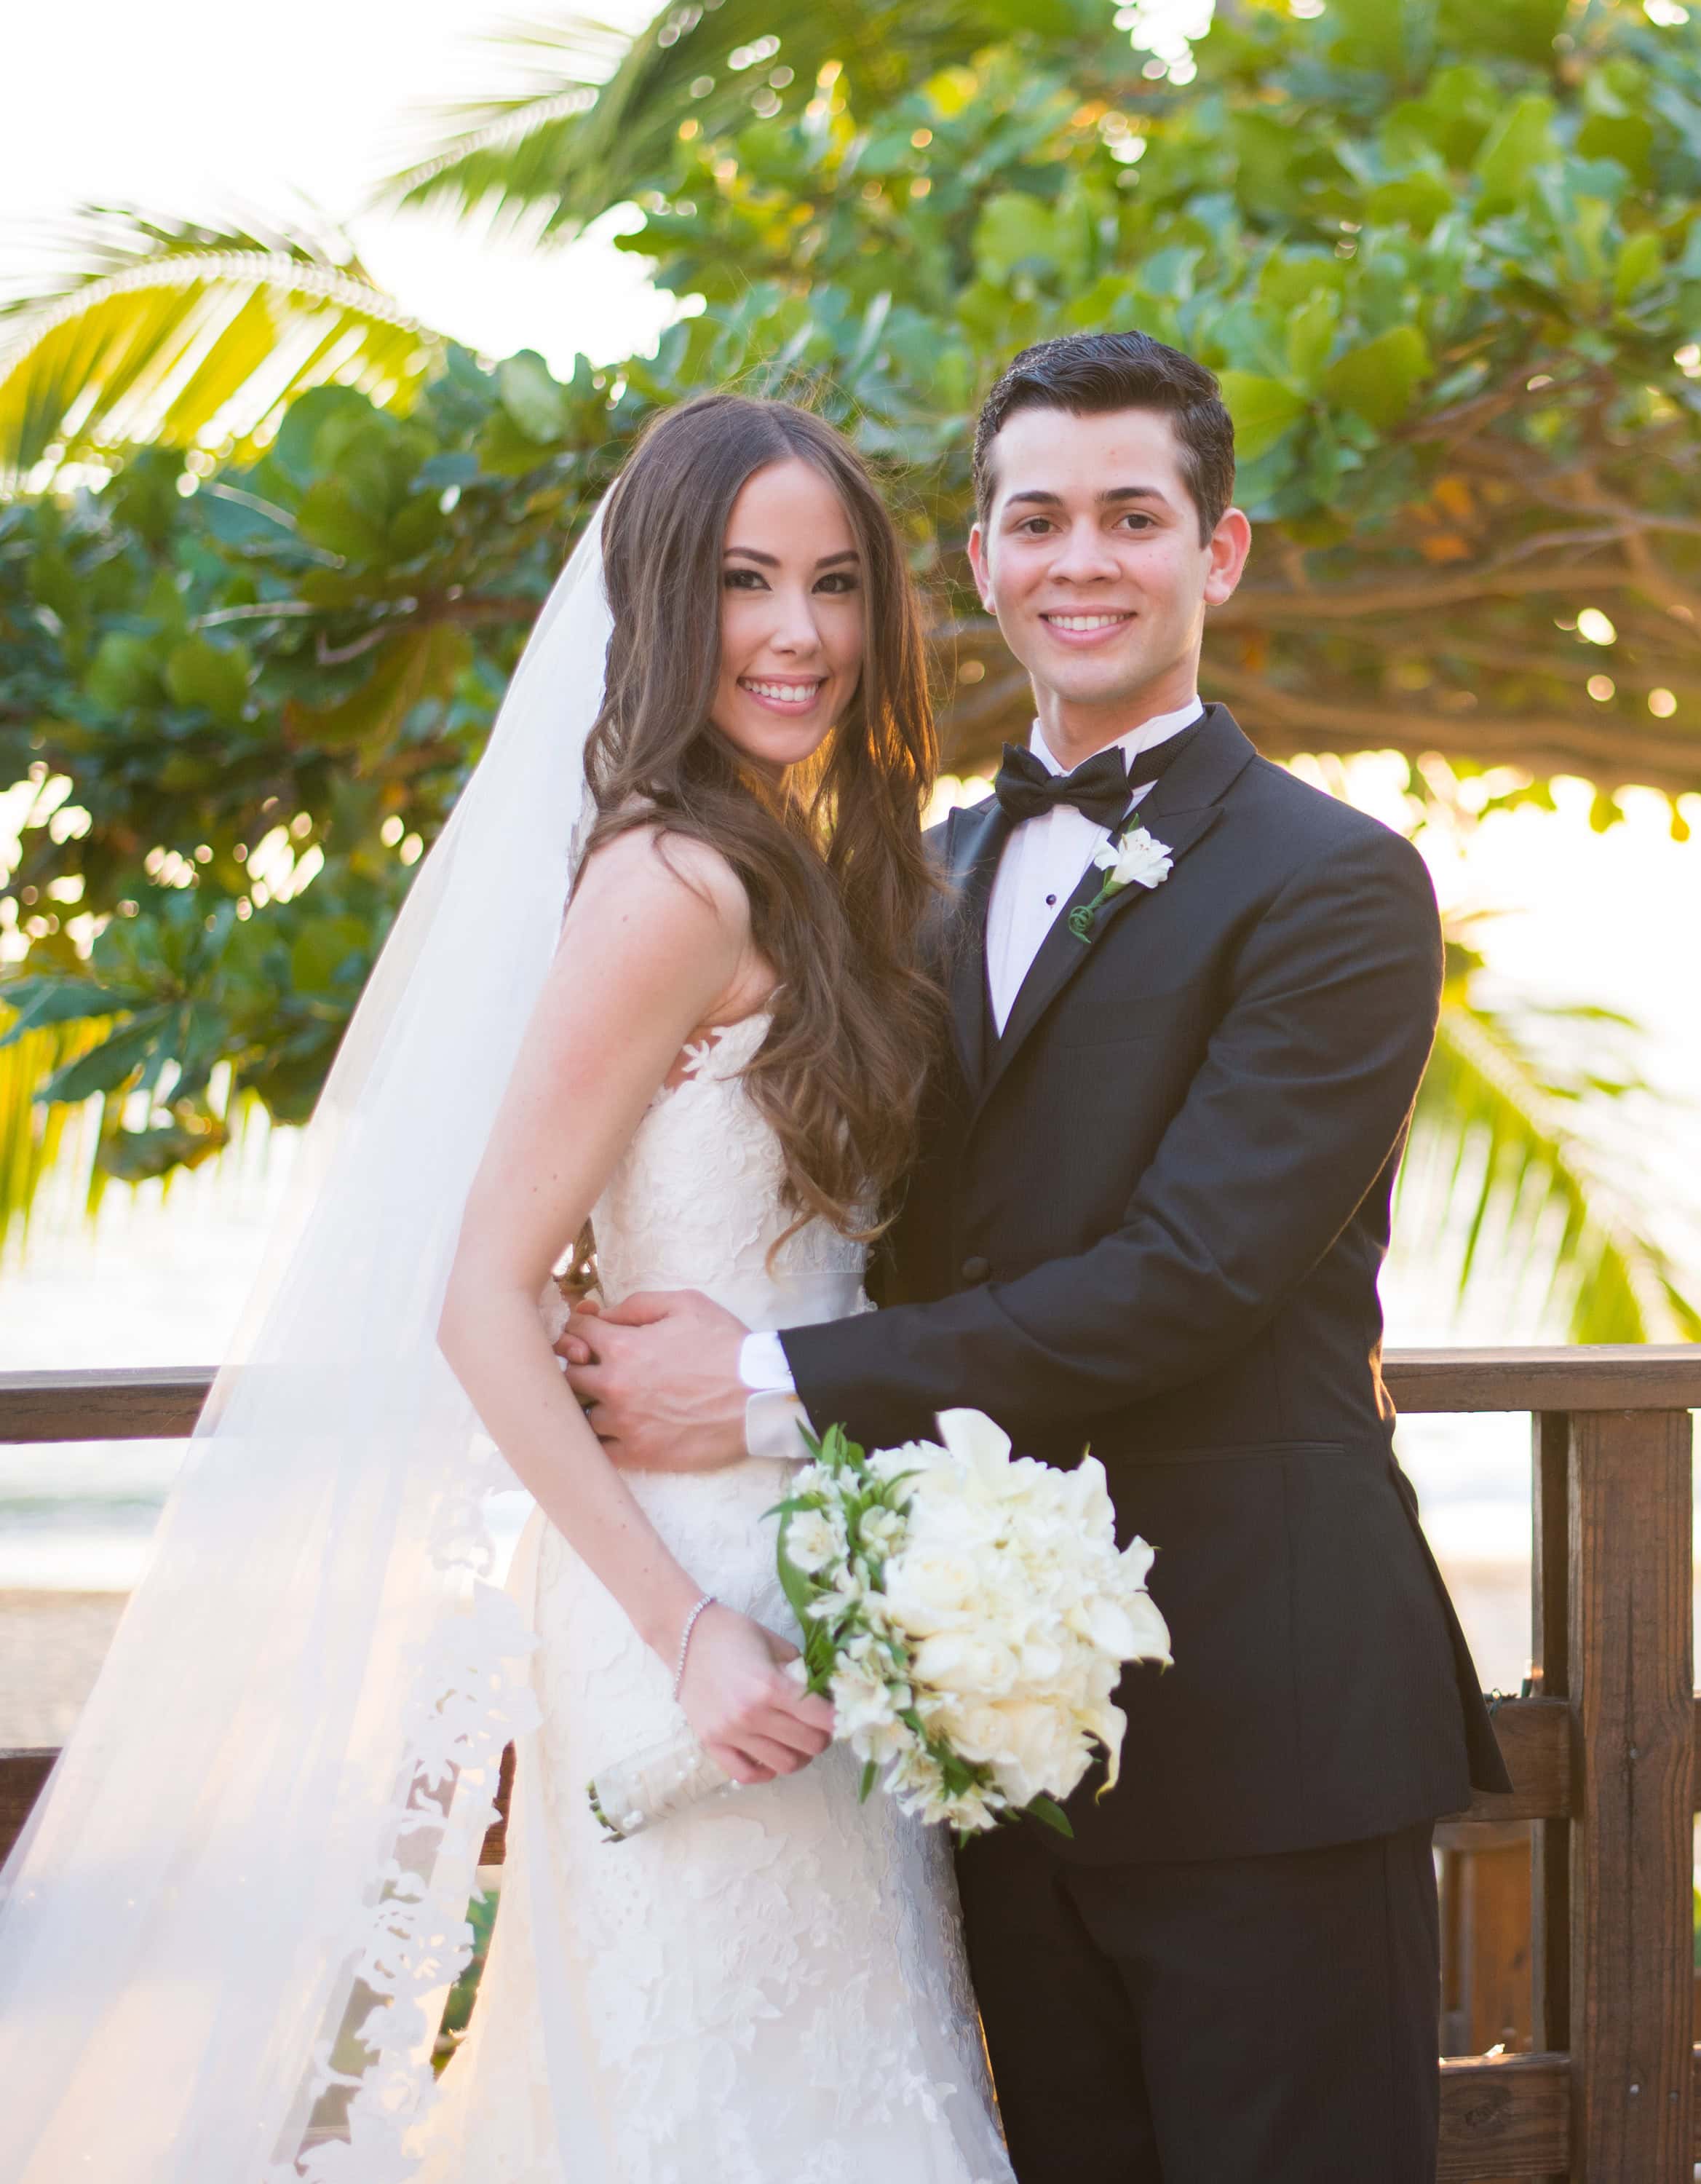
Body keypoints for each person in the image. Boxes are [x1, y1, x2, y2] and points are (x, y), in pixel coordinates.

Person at [0, 395, 1008, 2179]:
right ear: (660, 604)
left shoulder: (810, 868)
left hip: (823, 1558)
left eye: (837, 585)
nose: (799, 634)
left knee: (845, 2074)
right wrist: (685, 1633)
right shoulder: (674, 880)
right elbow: (478, 1292)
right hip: (686, 1595)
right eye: (745, 582)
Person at [563, 333, 1512, 2183]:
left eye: (1132, 517)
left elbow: (1193, 1274)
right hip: (975, 1737)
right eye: (1039, 519)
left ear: (1217, 554)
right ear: (982, 561)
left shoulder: (1333, 885)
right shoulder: (902, 882)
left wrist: (759, 1386)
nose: (1084, 560)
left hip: (1268, 1718)